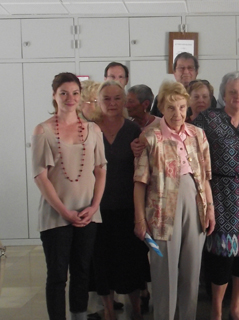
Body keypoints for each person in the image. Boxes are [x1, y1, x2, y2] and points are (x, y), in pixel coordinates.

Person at [133, 81, 215, 320]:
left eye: (181, 107)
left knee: (192, 270)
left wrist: (210, 210)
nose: (177, 113)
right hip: (160, 211)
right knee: (164, 273)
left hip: (195, 204)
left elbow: (205, 178)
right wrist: (139, 219)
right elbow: (139, 183)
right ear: (161, 108)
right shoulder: (150, 137)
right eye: (171, 108)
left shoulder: (197, 134)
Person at [193, 71, 239, 320]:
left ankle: (236, 308)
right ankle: (216, 308)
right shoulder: (207, 119)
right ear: (223, 95)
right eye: (233, 92)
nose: (238, 96)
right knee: (220, 254)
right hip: (219, 193)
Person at [32, 72, 106, 320]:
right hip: (56, 216)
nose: (70, 98)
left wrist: (94, 206)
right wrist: (65, 212)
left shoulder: (93, 129)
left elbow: (101, 170)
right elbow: (40, 177)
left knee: (83, 271)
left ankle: (79, 316)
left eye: (75, 93)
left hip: (88, 213)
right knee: (57, 275)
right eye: (63, 93)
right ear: (54, 96)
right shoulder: (43, 130)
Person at [93, 80, 151, 320]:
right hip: (96, 209)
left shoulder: (132, 129)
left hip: (128, 207)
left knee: (132, 262)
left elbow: (142, 169)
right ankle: (108, 311)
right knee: (101, 262)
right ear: (98, 101)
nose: (112, 103)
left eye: (118, 98)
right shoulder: (90, 129)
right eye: (106, 98)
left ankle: (136, 308)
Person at [150, 52, 217, 117]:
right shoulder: (163, 97)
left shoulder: (207, 98)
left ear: (196, 72)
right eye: (181, 68)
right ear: (174, 72)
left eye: (190, 68)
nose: (186, 72)